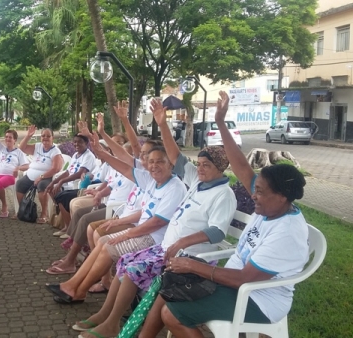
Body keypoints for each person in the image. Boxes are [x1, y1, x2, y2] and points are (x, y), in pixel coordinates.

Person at [71, 97, 237, 338]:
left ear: (220, 168)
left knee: (134, 267)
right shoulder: (197, 182)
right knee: (125, 261)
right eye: (199, 164)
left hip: (190, 257)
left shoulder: (223, 194)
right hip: (167, 248)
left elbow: (218, 232)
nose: (199, 169)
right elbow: (176, 156)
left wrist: (182, 242)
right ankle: (107, 317)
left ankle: (112, 323)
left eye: (206, 166)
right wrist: (162, 123)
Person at [149, 91, 309, 338]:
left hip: (258, 300)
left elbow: (244, 279)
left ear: (282, 197)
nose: (253, 195)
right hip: (233, 283)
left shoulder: (287, 233)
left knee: (172, 313)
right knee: (172, 284)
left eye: (260, 192)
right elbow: (240, 165)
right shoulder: (270, 206)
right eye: (254, 189)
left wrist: (193, 265)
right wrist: (221, 122)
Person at [47, 130, 187, 306]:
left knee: (108, 246)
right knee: (104, 241)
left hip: (154, 239)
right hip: (141, 231)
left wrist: (126, 233)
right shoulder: (151, 179)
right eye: (151, 161)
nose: (153, 165)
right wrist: (102, 152)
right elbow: (125, 167)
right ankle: (72, 285)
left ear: (171, 164)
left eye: (160, 161)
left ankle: (79, 291)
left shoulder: (175, 187)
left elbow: (156, 222)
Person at [0, 106, 30, 218]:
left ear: (14, 140)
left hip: (10, 176)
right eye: (6, 137)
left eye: (10, 137)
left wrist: (18, 168)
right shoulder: (1, 149)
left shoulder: (19, 152)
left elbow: (27, 166)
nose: (7, 139)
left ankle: (4, 206)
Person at [44, 132, 97, 233]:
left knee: (61, 197)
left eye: (80, 142)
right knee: (52, 189)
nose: (76, 144)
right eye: (75, 142)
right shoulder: (75, 155)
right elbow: (68, 172)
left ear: (86, 143)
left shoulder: (88, 156)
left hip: (79, 186)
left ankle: (68, 228)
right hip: (70, 184)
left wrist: (62, 181)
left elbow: (80, 173)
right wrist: (54, 182)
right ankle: (64, 222)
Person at [16, 125, 63, 223]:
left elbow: (56, 168)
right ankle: (23, 210)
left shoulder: (55, 151)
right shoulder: (38, 146)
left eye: (48, 136)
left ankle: (44, 214)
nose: (45, 138)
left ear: (52, 138)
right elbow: (21, 148)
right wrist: (28, 136)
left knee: (42, 186)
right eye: (43, 136)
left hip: (46, 177)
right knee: (20, 183)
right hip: (30, 175)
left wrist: (41, 177)